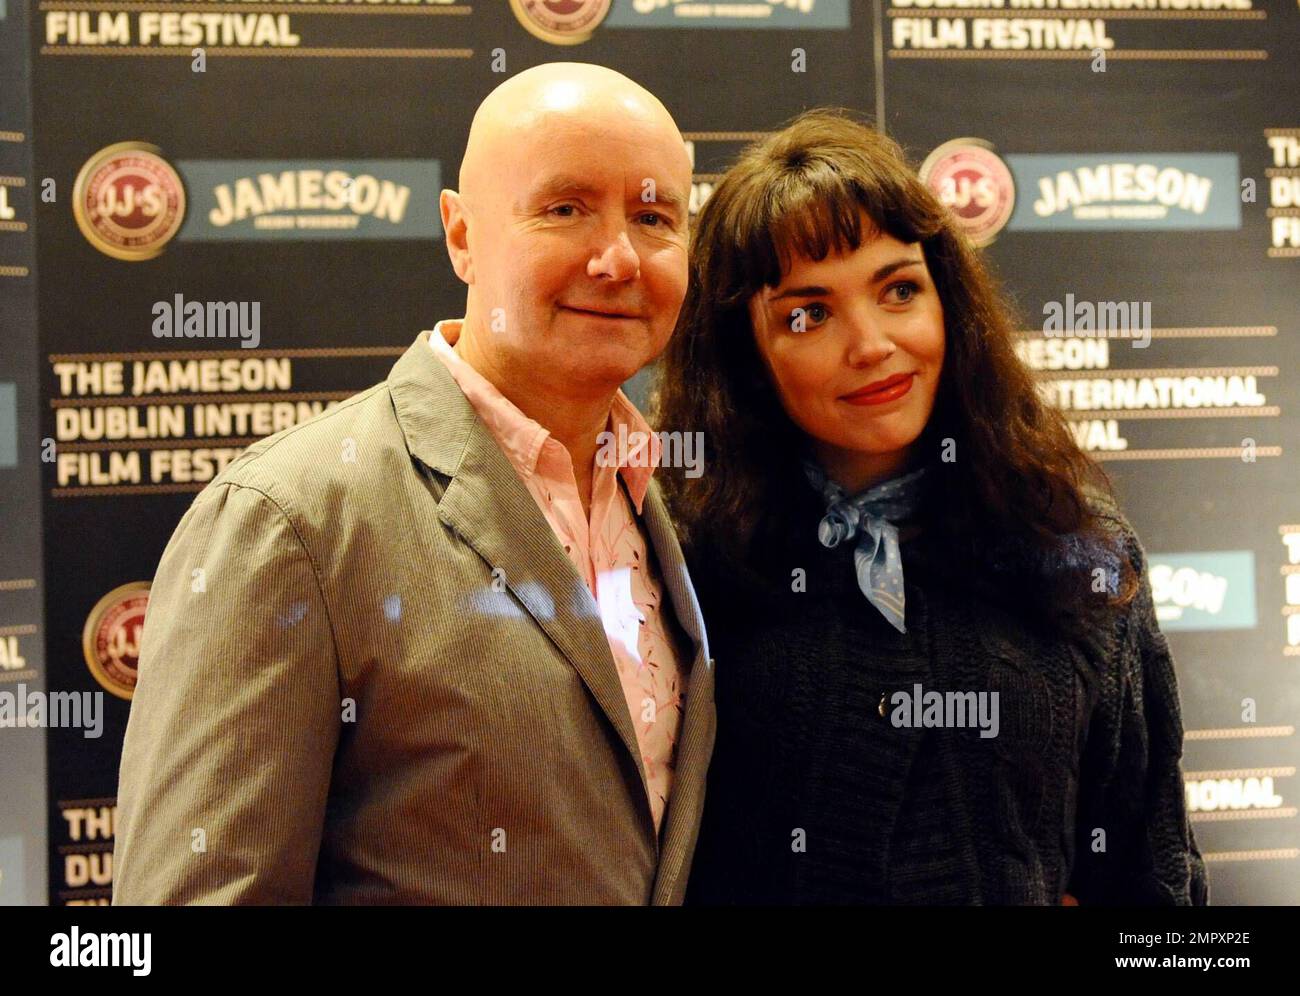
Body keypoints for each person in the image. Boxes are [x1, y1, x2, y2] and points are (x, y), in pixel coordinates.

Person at [113, 62, 715, 905]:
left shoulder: (668, 506)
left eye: (653, 217)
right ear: (462, 236)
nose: (617, 257)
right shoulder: (291, 519)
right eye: (565, 208)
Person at [653, 108, 1208, 905]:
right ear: (746, 354)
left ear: (948, 300)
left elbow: (1150, 865)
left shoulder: (1075, 546)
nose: (872, 343)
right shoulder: (685, 555)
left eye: (899, 290)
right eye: (808, 313)